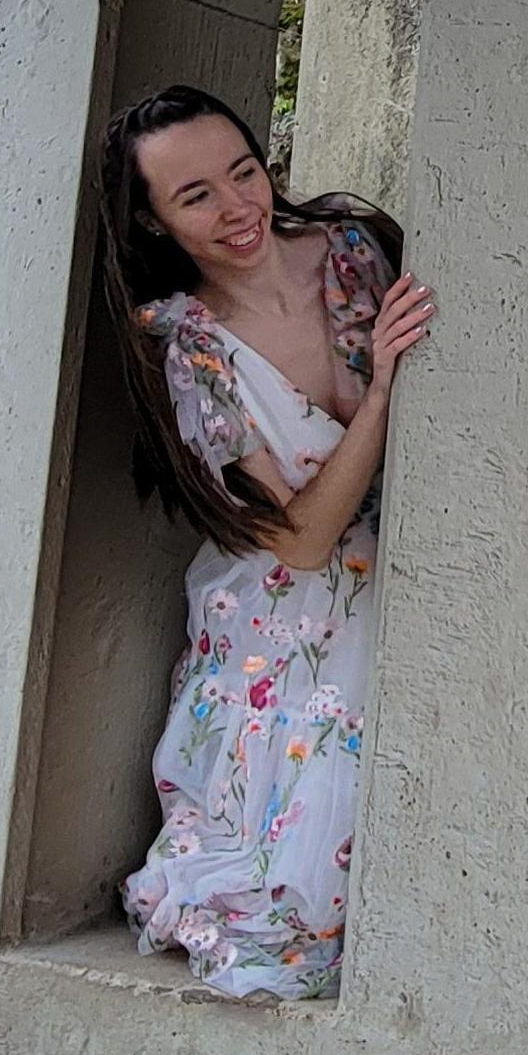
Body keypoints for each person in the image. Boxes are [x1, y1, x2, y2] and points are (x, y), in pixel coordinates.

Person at [98, 85, 434, 999]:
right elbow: (304, 539)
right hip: (287, 599)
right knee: (289, 897)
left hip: (418, 555)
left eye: (243, 172)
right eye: (195, 196)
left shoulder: (354, 249)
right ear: (155, 221)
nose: (237, 207)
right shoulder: (190, 343)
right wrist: (384, 388)